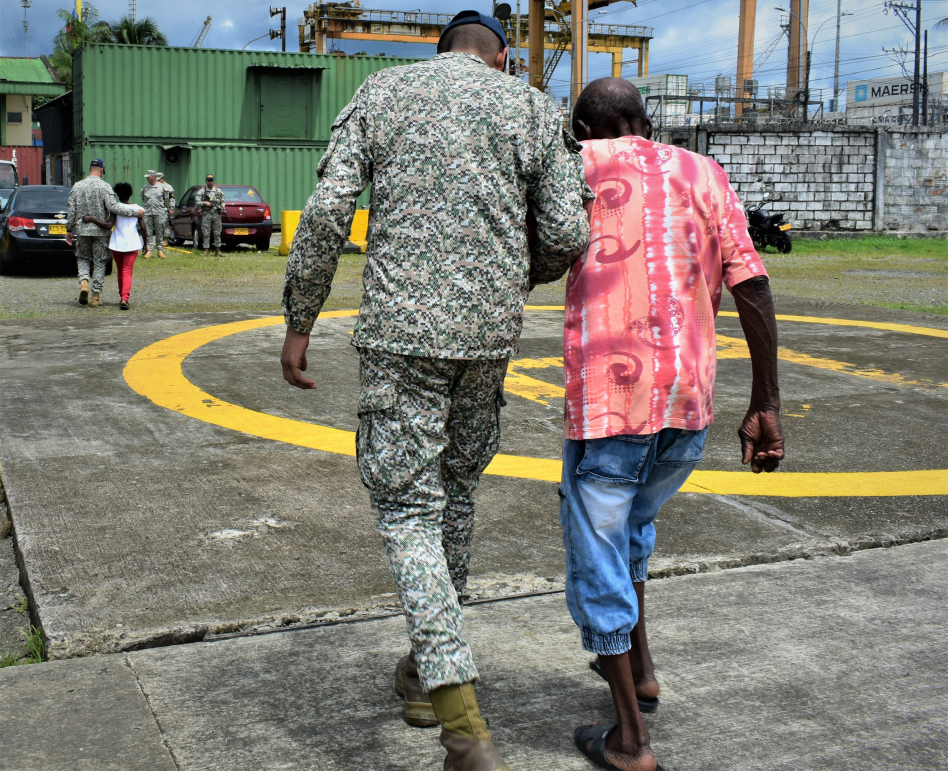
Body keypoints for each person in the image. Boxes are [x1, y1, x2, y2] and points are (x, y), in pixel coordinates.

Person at [280, 11, 591, 770]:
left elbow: (326, 211)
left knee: (406, 507)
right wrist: (511, 275)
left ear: (438, 48)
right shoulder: (530, 107)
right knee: (453, 494)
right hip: (487, 336)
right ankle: (423, 673)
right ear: (504, 57)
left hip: (400, 336)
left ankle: (460, 718)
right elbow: (567, 232)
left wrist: (300, 318)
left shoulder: (383, 93)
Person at [560, 78, 785, 771]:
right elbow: (752, 283)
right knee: (633, 532)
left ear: (587, 130)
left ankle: (630, 739)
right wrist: (765, 401)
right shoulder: (704, 171)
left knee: (597, 560)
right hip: (688, 405)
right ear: (642, 120)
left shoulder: (576, 169)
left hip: (607, 407)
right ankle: (643, 670)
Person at [66, 158, 144, 307]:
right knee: (100, 263)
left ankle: (83, 283)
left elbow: (71, 210)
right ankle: (96, 296)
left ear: (89, 169)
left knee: (82, 258)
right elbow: (114, 207)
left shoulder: (77, 186)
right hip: (101, 232)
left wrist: (69, 229)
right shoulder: (105, 187)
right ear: (102, 169)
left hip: (82, 230)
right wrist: (135, 211)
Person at [82, 181, 145, 310]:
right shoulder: (138, 209)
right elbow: (143, 227)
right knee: (127, 271)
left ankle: (122, 295)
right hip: (132, 244)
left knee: (120, 272)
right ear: (131, 194)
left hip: (117, 245)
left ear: (116, 194)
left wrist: (92, 219)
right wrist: (146, 245)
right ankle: (124, 298)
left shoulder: (115, 209)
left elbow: (108, 225)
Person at [141, 170, 169, 259]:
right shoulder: (145, 187)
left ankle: (160, 250)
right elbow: (143, 199)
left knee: (159, 231)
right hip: (148, 212)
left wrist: (166, 209)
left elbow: (167, 199)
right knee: (148, 231)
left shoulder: (162, 187)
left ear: (153, 177)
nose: (146, 178)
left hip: (159, 212)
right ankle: (149, 250)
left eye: (148, 176)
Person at [195, 174, 224, 256]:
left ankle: (218, 250)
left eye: (211, 180)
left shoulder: (218, 191)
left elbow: (223, 201)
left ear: (214, 181)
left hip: (216, 215)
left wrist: (222, 208)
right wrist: (205, 203)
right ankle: (206, 250)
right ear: (206, 181)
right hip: (207, 214)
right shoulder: (202, 191)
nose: (210, 182)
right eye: (208, 180)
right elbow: (197, 202)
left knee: (217, 232)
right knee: (206, 232)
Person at [156, 172, 175, 248]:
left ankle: (166, 240)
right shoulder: (156, 187)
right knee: (158, 225)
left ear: (162, 178)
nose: (157, 181)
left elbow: (172, 198)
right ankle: (159, 240)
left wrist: (171, 208)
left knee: (166, 225)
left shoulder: (168, 187)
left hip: (166, 209)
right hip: (158, 208)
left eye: (159, 179)